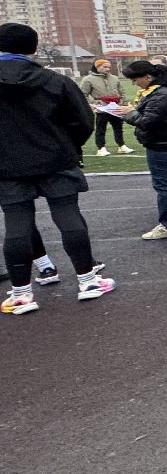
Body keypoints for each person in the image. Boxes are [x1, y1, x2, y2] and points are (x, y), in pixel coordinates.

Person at [0, 23, 115, 314]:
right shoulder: (54, 81)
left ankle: (20, 293)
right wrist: (68, 146)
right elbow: (82, 121)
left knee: (16, 224)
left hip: (8, 164)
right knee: (68, 215)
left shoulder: (54, 80)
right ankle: (87, 280)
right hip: (55, 159)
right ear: (34, 48)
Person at [119, 60, 167, 240]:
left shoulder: (162, 94)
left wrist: (128, 113)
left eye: (135, 79)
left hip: (162, 143)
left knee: (165, 184)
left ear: (148, 77)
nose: (134, 83)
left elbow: (148, 121)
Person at [78, 58, 133, 156]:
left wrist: (123, 103)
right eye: (105, 67)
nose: (107, 69)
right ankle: (101, 148)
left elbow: (121, 91)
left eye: (109, 67)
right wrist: (95, 103)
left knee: (118, 127)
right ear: (97, 67)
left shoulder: (114, 78)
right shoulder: (88, 79)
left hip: (116, 107)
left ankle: (121, 145)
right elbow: (82, 94)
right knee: (101, 128)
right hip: (102, 108)